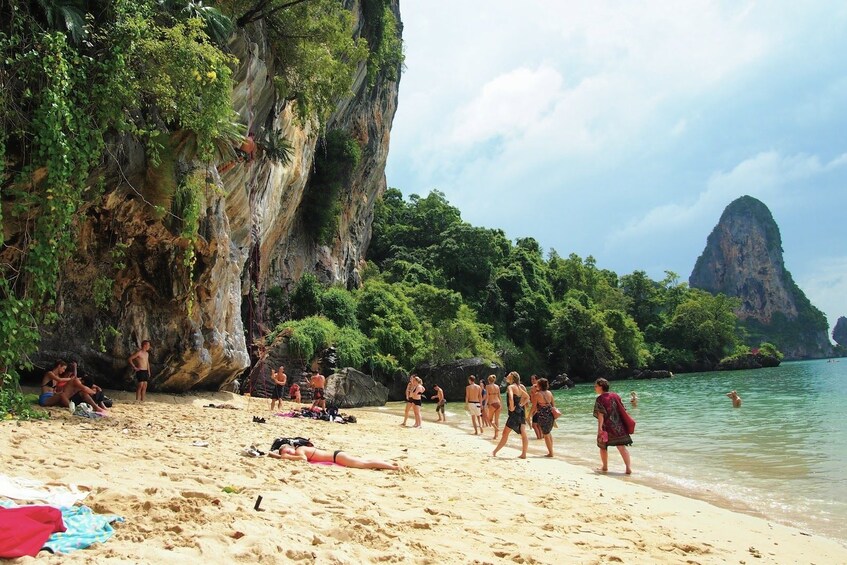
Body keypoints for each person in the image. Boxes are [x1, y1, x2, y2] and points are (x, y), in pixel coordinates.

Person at [593, 378, 632, 474]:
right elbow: (623, 409)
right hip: (619, 427)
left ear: (601, 386)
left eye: (596, 386)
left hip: (607, 427)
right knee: (621, 447)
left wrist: (600, 429)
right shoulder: (615, 396)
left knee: (602, 446)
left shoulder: (600, 399)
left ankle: (605, 467)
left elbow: (601, 415)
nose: (595, 388)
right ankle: (628, 468)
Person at [39, 360, 107, 413]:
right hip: (45, 399)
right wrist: (71, 379)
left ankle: (97, 407)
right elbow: (60, 380)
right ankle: (72, 408)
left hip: (52, 397)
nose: (64, 371)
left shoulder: (58, 377)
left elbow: (56, 388)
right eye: (63, 368)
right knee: (61, 395)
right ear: (59, 366)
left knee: (82, 393)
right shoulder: (49, 373)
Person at [269, 445, 400, 470]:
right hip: (337, 456)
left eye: (286, 451)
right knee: (365, 462)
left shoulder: (299, 450)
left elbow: (302, 459)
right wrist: (279, 456)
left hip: (337, 457)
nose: (287, 453)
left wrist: (284, 457)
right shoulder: (299, 450)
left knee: (365, 464)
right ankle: (389, 464)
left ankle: (393, 467)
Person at [492, 372, 530, 458]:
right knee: (523, 433)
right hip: (521, 412)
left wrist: (512, 407)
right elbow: (527, 397)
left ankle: (494, 452)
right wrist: (521, 404)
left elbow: (511, 398)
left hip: (514, 414)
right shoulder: (519, 387)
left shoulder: (510, 387)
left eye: (508, 375)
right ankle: (524, 454)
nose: (506, 376)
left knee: (505, 434)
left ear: (512, 377)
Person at [532, 378, 556, 457]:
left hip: (543, 416)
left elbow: (534, 407)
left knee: (545, 434)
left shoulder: (537, 394)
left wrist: (529, 415)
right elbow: (553, 405)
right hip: (550, 415)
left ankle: (551, 453)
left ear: (540, 385)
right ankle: (551, 451)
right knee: (548, 433)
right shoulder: (550, 393)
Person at [485, 375, 502, 440]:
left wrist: (485, 405)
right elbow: (499, 396)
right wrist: (501, 404)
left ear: (489, 380)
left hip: (492, 404)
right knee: (496, 420)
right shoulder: (497, 386)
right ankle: (496, 435)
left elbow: (487, 397)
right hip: (498, 403)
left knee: (489, 420)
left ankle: (497, 429)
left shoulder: (487, 386)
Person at [528, 375, 543, 440]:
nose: (532, 381)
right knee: (538, 425)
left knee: (534, 425)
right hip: (539, 408)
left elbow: (534, 400)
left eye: (534, 379)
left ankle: (539, 438)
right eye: (531, 379)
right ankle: (541, 437)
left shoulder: (535, 388)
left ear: (537, 380)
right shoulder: (539, 388)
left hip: (537, 408)